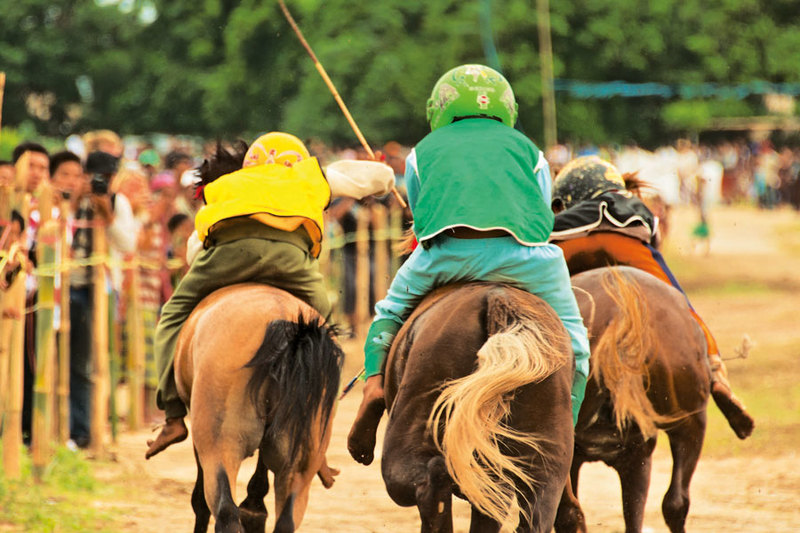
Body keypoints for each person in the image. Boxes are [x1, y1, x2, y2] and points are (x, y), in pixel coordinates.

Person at [347, 64, 591, 461]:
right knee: (576, 341)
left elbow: (423, 219)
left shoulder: (421, 153)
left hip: (447, 257)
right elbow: (541, 213)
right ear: (505, 107)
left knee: (389, 312)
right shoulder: (532, 151)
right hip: (526, 260)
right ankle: (568, 423)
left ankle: (374, 385)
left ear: (440, 107)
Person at [145, 132, 395, 459]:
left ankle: (173, 415)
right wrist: (380, 177)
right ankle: (317, 420)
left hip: (226, 255)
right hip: (291, 258)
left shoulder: (231, 182)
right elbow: (381, 178)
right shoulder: (311, 174)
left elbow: (195, 248)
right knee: (323, 332)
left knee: (173, 315)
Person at [548, 155, 754, 439]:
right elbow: (654, 239)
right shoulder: (634, 209)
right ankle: (715, 373)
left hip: (568, 246)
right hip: (628, 246)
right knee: (679, 304)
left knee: (535, 309)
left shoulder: (559, 219)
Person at [68, 149, 137, 449]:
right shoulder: (70, 199)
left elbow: (127, 243)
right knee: (69, 360)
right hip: (70, 284)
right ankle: (73, 427)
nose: (100, 182)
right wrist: (74, 203)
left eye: (106, 177)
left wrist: (107, 214)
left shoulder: (117, 203)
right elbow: (57, 235)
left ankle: (89, 429)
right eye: (95, 176)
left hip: (104, 286)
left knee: (94, 361)